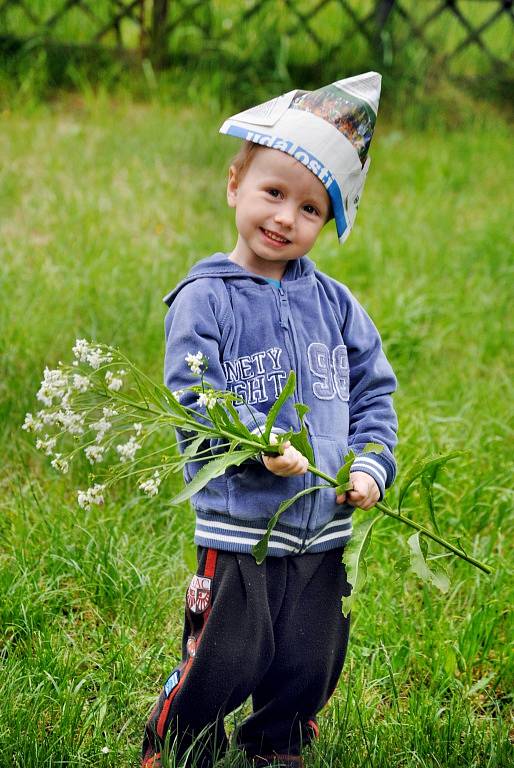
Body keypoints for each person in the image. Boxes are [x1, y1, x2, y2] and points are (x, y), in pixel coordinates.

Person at [142, 72, 397, 768]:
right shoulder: (205, 298)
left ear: (330, 223)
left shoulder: (336, 304)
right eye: (273, 193)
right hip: (242, 523)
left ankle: (278, 742)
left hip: (323, 522)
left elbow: (376, 392)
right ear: (235, 185)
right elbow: (195, 396)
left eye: (311, 208)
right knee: (225, 655)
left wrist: (371, 466)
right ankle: (183, 738)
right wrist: (260, 442)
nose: (286, 217)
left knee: (310, 658)